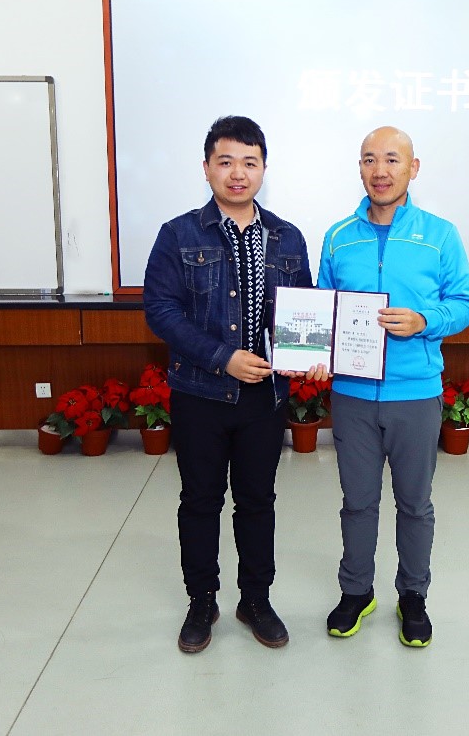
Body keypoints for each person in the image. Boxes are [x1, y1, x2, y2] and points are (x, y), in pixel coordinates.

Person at [143, 115, 313, 653]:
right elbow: (161, 311)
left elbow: (301, 312)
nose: (238, 173)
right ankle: (202, 602)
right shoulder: (178, 234)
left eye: (249, 163)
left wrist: (308, 355)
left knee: (258, 502)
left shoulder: (287, 237)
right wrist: (224, 359)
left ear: (263, 168)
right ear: (207, 168)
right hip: (200, 393)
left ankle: (256, 600)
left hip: (265, 397)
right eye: (226, 162)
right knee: (199, 501)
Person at [318, 125, 469, 648]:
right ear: (359, 168)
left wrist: (424, 321)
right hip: (353, 395)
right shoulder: (339, 236)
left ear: (413, 167)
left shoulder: (440, 235)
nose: (380, 170)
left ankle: (413, 595)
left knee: (414, 504)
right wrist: (314, 353)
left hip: (415, 393)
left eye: (391, 159)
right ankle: (356, 591)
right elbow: (324, 311)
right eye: (369, 159)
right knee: (357, 502)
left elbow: (465, 304)